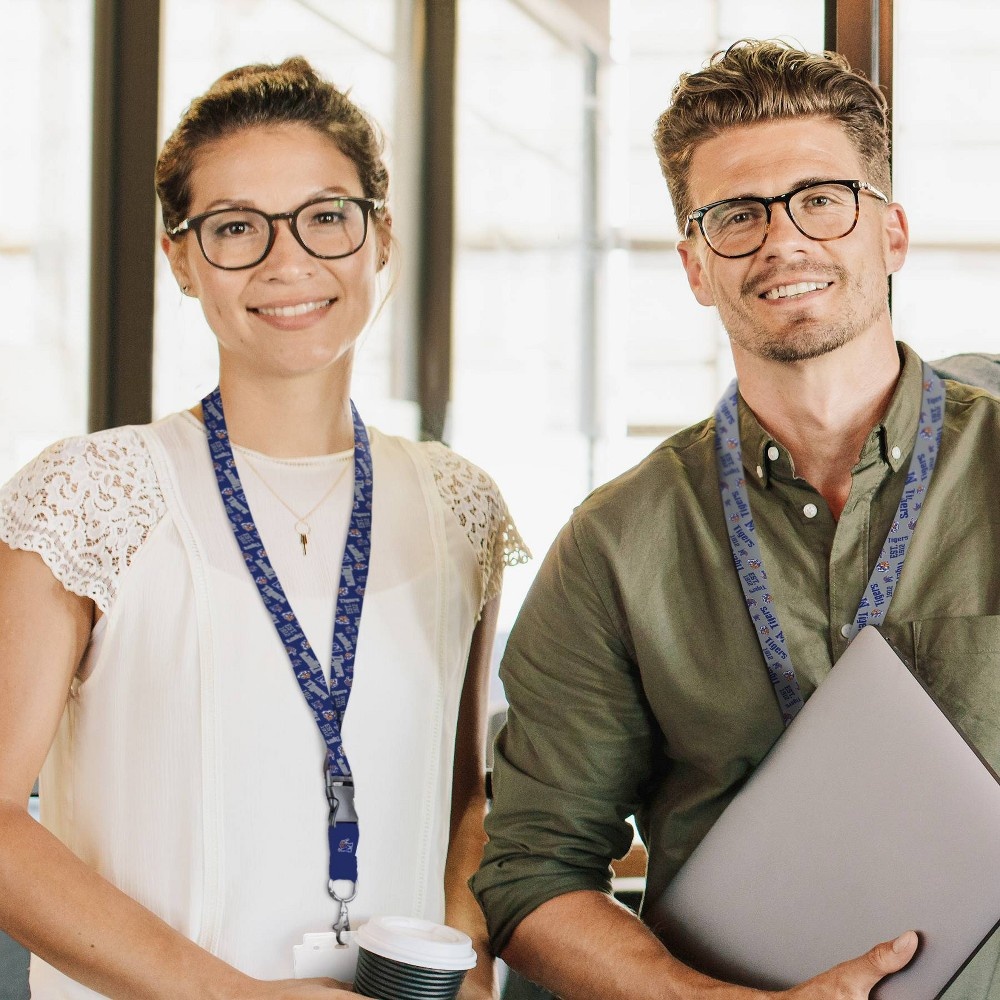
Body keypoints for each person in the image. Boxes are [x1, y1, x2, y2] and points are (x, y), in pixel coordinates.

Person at [472, 39, 1000, 1000]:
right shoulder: (612, 546)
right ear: (692, 264)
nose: (782, 241)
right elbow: (532, 873)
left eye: (822, 199)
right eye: (736, 216)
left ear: (891, 233)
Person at [0, 57, 527, 999]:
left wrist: (465, 960)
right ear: (182, 258)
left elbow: (461, 800)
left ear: (379, 239)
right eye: (236, 228)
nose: (288, 262)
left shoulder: (459, 503)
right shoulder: (90, 491)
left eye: (326, 217)